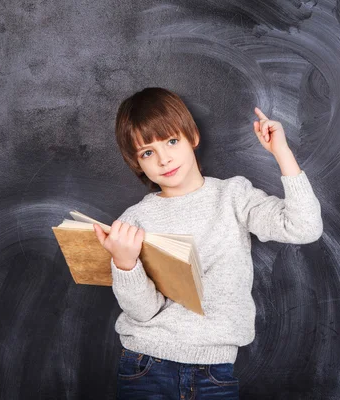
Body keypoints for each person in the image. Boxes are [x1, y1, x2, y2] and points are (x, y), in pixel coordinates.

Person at [93, 87, 323, 399]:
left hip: (214, 370)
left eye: (171, 141)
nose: (164, 159)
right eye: (148, 152)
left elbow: (304, 228)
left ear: (192, 137)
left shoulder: (233, 196)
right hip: (146, 364)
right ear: (138, 164)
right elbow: (143, 312)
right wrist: (125, 264)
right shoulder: (133, 222)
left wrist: (282, 153)